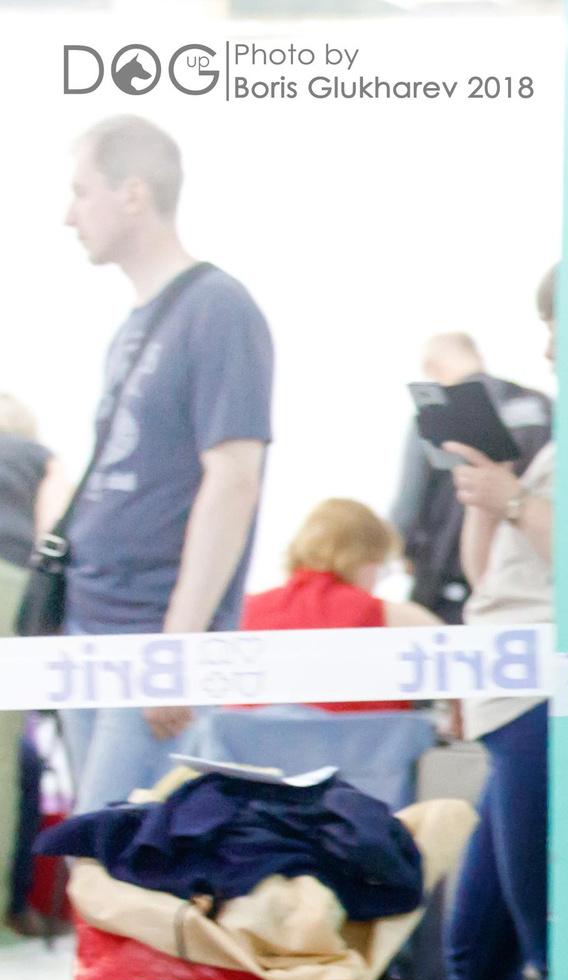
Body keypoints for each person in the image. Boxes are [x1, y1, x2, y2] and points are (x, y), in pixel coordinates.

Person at [57, 114, 275, 810]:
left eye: (81, 191)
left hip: (151, 630)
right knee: (95, 853)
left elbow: (234, 479)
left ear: (133, 194)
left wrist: (177, 648)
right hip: (92, 622)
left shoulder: (218, 309)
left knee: (119, 860)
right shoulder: (136, 323)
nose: (69, 214)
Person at [437, 266, 557, 980]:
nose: (548, 348)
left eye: (560, 327)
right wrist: (485, 498)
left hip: (544, 703)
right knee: (473, 947)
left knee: (544, 938)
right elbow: (488, 580)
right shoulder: (560, 449)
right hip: (506, 701)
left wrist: (513, 497)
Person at [388, 332, 552, 624]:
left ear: (433, 368)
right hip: (536, 576)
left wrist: (403, 550)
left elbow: (410, 501)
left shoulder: (434, 415)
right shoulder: (540, 404)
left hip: (451, 577)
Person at [241, 498, 440, 713]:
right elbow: (458, 652)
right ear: (366, 560)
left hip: (258, 744)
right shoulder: (384, 614)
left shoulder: (246, 611)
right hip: (355, 744)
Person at [0, 394, 67, 938]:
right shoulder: (40, 458)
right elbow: (56, 529)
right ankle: (6, 912)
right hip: (10, 587)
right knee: (5, 761)